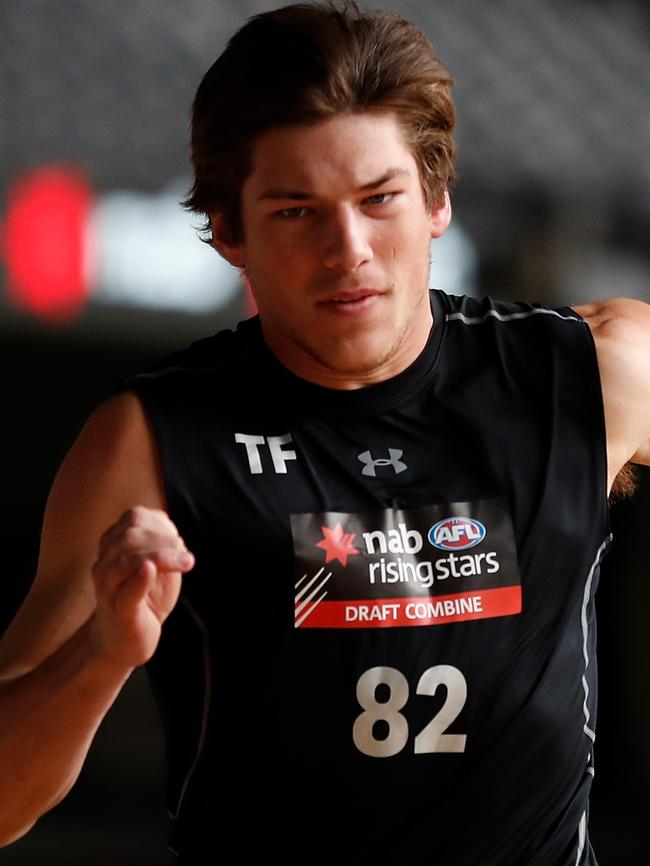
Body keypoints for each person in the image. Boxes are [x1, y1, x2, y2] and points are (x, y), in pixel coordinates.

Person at [0, 2, 648, 863]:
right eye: (296, 212)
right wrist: (102, 653)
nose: (349, 249)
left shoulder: (595, 371)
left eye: (380, 199)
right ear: (229, 232)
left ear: (437, 202)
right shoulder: (151, 441)